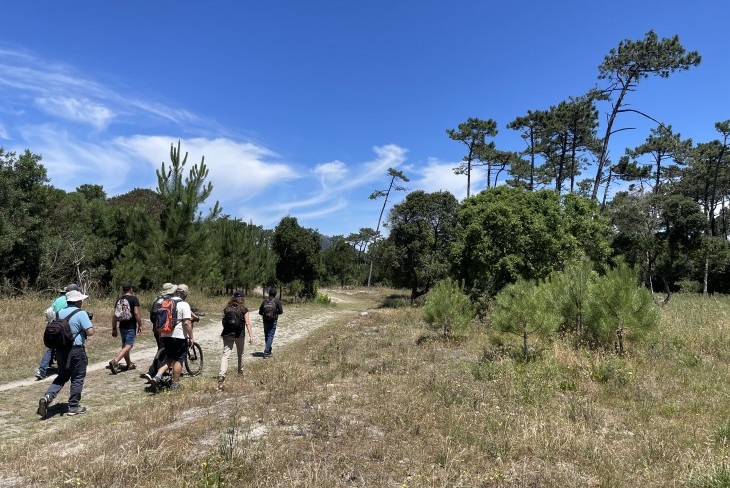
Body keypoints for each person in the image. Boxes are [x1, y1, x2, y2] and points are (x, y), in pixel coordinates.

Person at [37, 289, 95, 417]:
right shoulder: (81, 313)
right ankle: (73, 406)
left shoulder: (59, 313)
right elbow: (90, 332)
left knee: (62, 375)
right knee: (78, 377)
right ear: (77, 300)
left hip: (60, 350)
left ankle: (48, 396)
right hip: (76, 350)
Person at [149, 283, 193, 391]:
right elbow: (187, 322)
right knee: (179, 359)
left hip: (165, 334)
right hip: (178, 336)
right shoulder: (183, 304)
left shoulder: (163, 303)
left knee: (169, 358)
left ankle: (157, 377)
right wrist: (191, 336)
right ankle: (175, 384)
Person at [35, 283, 80, 380]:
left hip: (53, 325)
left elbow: (50, 312)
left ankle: (42, 369)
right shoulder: (70, 300)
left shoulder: (57, 300)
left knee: (51, 348)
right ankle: (68, 367)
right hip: (63, 326)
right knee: (69, 345)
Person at [218, 291, 253, 383]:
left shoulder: (227, 309)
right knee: (240, 353)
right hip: (239, 334)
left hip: (227, 334)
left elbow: (223, 322)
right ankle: (240, 372)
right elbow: (247, 323)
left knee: (226, 354)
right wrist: (251, 336)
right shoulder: (244, 309)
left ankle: (222, 375)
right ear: (242, 299)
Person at [109, 282, 142, 374]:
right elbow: (136, 313)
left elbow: (114, 315)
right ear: (131, 289)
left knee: (124, 346)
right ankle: (115, 361)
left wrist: (114, 328)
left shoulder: (119, 300)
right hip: (130, 326)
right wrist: (140, 324)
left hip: (121, 326)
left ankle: (129, 364)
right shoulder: (134, 299)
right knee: (129, 345)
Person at [258, 286, 283, 358]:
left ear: (269, 293)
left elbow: (260, 312)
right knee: (270, 335)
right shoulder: (277, 301)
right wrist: (275, 312)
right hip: (273, 320)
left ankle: (268, 350)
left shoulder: (264, 301)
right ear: (275, 294)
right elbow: (281, 312)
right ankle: (266, 352)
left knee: (267, 335)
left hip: (265, 320)